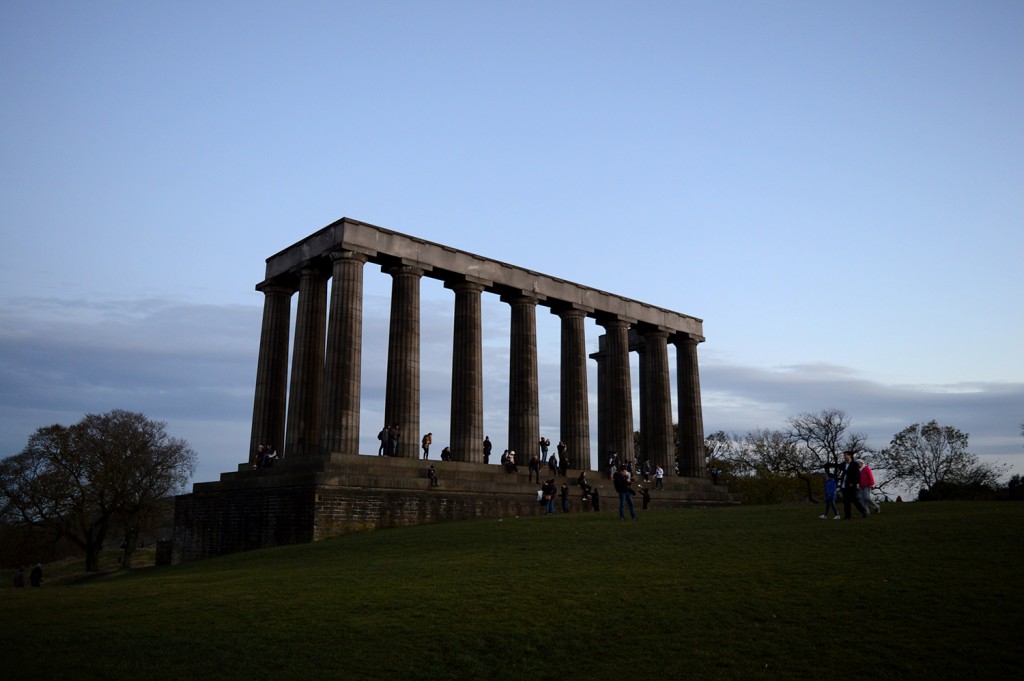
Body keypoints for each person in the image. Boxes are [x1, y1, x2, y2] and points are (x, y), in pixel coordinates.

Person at [840, 451, 869, 519]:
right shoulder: (844, 464)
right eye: (844, 455)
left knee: (854, 500)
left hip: (851, 486)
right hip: (844, 486)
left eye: (845, 455)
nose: (844, 457)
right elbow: (837, 466)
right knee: (846, 501)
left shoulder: (854, 464)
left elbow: (857, 475)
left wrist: (853, 483)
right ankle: (847, 516)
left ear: (850, 456)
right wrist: (828, 465)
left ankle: (863, 512)